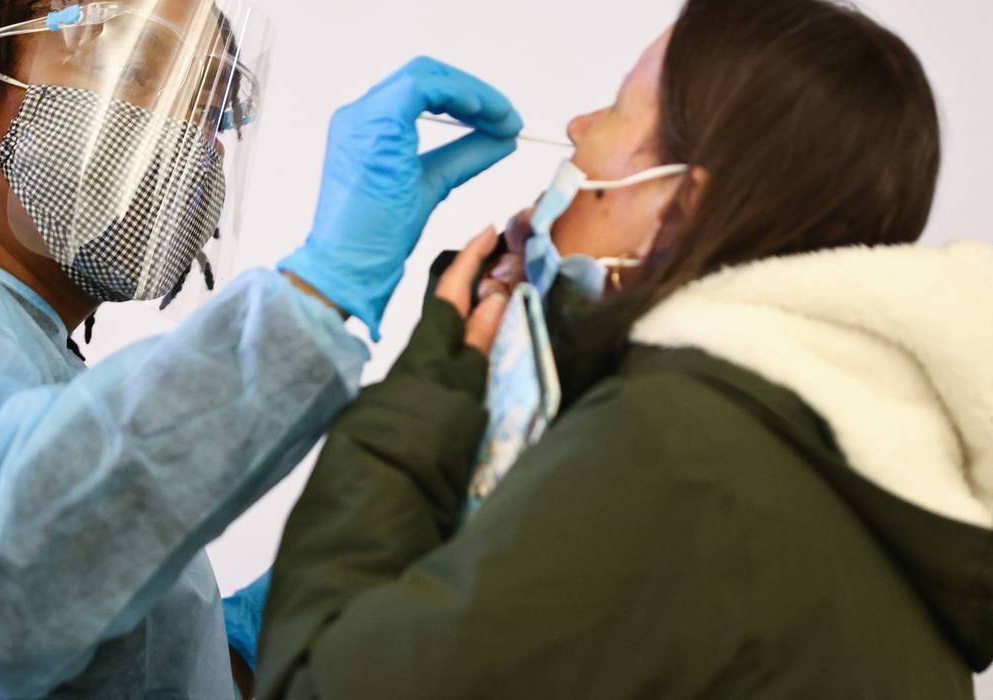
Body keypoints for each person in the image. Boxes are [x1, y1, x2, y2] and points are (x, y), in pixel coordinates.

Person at [0, 0, 523, 697]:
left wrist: (290, 612)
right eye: (136, 69)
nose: (183, 133)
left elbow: (124, 669)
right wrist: (320, 287)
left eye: (209, 107)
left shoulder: (42, 382)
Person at [257, 0, 993, 697]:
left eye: (613, 107)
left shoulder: (676, 458)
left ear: (680, 205)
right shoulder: (834, 470)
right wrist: (536, 341)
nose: (577, 128)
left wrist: (424, 399)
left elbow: (317, 687)